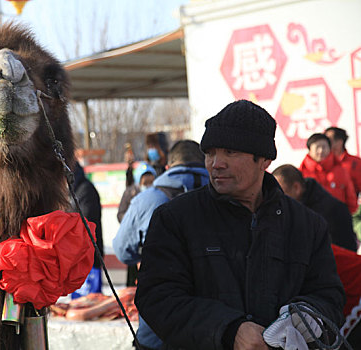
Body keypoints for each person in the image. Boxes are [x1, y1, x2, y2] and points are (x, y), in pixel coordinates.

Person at [135, 100, 345, 350]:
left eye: (230, 152)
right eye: (210, 153)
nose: (216, 163)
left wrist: (309, 314)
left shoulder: (307, 225)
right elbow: (157, 297)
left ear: (264, 160)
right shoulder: (175, 218)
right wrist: (228, 330)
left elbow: (330, 296)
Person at [113, 140, 209, 350]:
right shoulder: (227, 197)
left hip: (157, 329)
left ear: (168, 166)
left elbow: (122, 251)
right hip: (213, 327)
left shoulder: (147, 199)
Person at [272, 164, 357, 251]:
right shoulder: (285, 211)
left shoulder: (331, 211)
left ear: (296, 188)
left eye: (281, 194)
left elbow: (344, 254)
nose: (278, 200)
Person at [299, 133, 357, 214]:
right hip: (312, 221)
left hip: (337, 218)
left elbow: (351, 197)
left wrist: (349, 216)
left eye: (324, 147)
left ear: (330, 148)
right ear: (310, 150)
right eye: (317, 147)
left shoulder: (340, 170)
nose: (321, 151)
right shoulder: (301, 173)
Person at [71, 161, 104, 298]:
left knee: (91, 299)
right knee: (77, 302)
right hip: (76, 252)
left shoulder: (85, 189)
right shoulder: (72, 190)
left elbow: (87, 219)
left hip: (89, 251)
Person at [325, 126, 361, 196]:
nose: (326, 143)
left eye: (329, 140)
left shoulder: (355, 162)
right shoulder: (322, 162)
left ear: (340, 141)